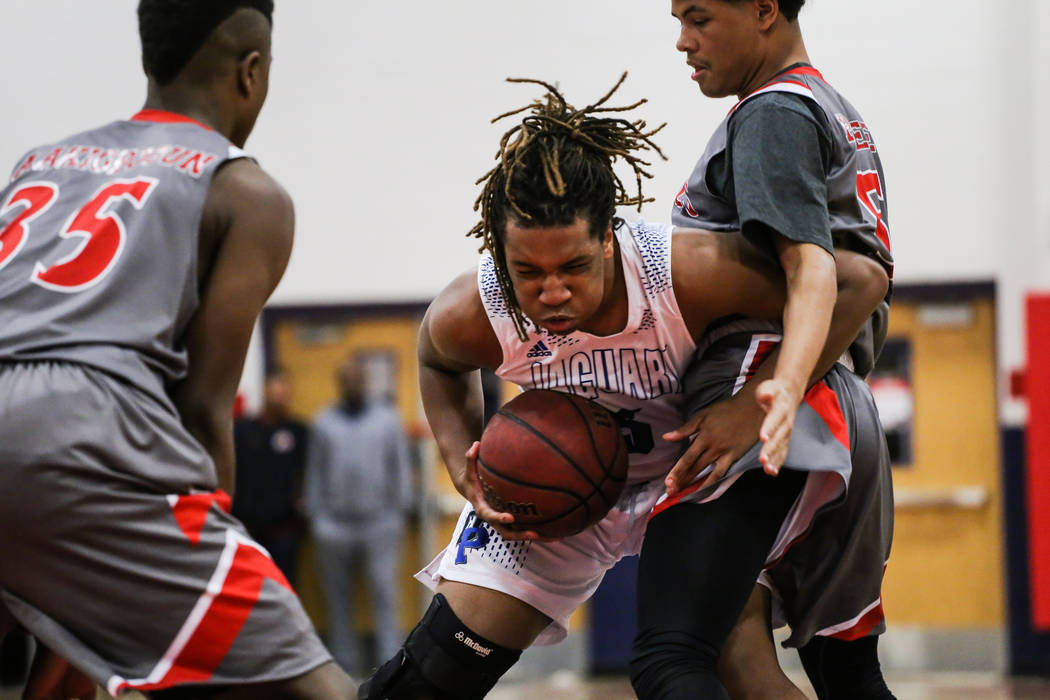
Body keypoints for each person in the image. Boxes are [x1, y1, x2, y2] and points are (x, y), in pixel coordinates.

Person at [357, 74, 888, 699]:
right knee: (425, 678)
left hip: (690, 472)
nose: (552, 293)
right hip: (559, 494)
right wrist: (459, 462)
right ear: (500, 255)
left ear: (609, 241)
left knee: (726, 666)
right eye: (528, 272)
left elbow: (856, 279)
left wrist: (758, 399)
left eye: (573, 267)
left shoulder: (680, 271)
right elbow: (435, 358)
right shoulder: (480, 307)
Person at [0, 1, 355, 697]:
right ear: (251, 73)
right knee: (315, 689)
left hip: (46, 426)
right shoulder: (245, 190)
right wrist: (207, 549)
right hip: (80, 426)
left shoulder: (35, 163)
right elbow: (200, 409)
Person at [631, 0, 896, 697]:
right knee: (798, 665)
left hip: (772, 385)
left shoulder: (773, 112)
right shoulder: (830, 106)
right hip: (837, 398)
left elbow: (832, 274)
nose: (683, 42)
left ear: (764, 11)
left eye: (699, 18)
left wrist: (759, 398)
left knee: (671, 653)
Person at [305, 353, 414, 677]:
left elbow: (401, 468)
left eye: (358, 379)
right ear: (340, 384)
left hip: (379, 522)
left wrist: (399, 511)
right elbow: (315, 472)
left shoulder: (387, 419)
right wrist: (317, 518)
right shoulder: (324, 422)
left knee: (384, 592)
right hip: (334, 526)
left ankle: (390, 667)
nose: (352, 384)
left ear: (365, 382)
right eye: (346, 379)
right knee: (337, 598)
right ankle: (345, 667)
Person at [232, 369, 310, 586]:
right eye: (274, 392)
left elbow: (307, 474)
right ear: (265, 392)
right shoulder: (243, 430)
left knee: (285, 585)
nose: (279, 398)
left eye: (283, 393)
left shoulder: (298, 432)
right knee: (249, 585)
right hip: (248, 527)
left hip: (284, 528)